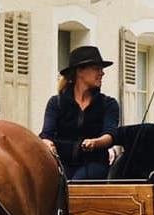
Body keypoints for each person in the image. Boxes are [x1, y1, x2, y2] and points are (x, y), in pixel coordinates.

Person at [39, 45, 119, 180]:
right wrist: (47, 143)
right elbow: (46, 134)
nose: (102, 73)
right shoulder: (56, 103)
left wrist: (95, 142)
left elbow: (110, 136)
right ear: (80, 71)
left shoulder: (108, 104)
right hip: (61, 164)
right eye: (96, 69)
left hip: (95, 166)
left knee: (76, 183)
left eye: (101, 69)